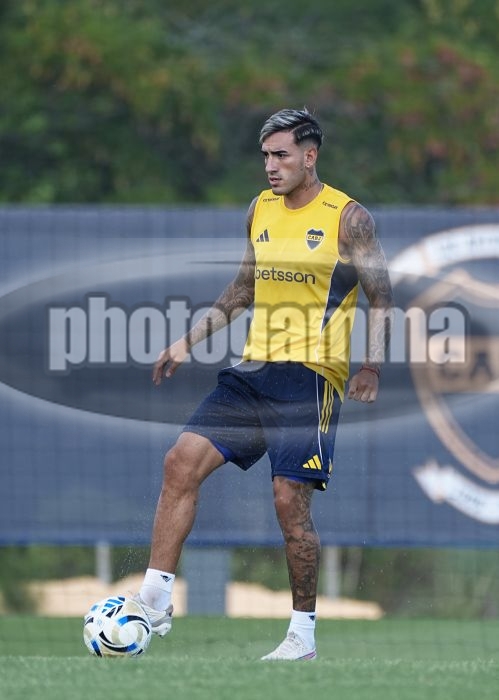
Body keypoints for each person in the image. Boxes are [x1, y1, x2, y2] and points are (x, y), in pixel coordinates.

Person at [133, 108, 393, 661]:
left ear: (309, 156)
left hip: (311, 379)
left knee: (288, 502)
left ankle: (302, 636)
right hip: (253, 372)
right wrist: (186, 341)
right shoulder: (260, 209)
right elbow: (243, 287)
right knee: (180, 462)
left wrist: (371, 365)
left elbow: (381, 295)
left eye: (281, 155)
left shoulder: (349, 218)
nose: (271, 166)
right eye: (266, 156)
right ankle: (153, 601)